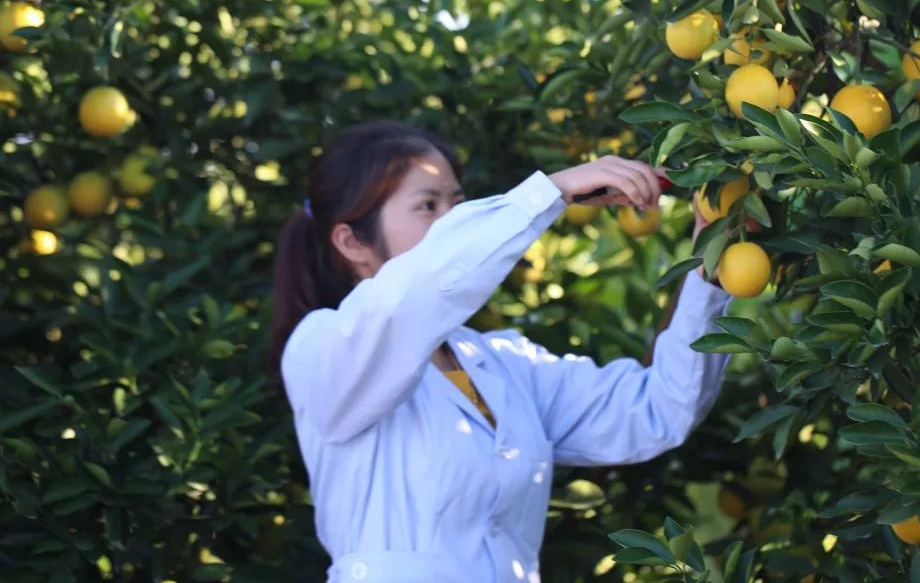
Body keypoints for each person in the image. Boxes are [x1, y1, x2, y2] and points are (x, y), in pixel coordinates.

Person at [270, 120, 733, 583]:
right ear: (352, 242)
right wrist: (551, 192)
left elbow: (657, 408)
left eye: (457, 203)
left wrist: (711, 261)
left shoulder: (501, 363)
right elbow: (418, 289)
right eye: (428, 206)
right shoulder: (323, 351)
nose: (451, 221)